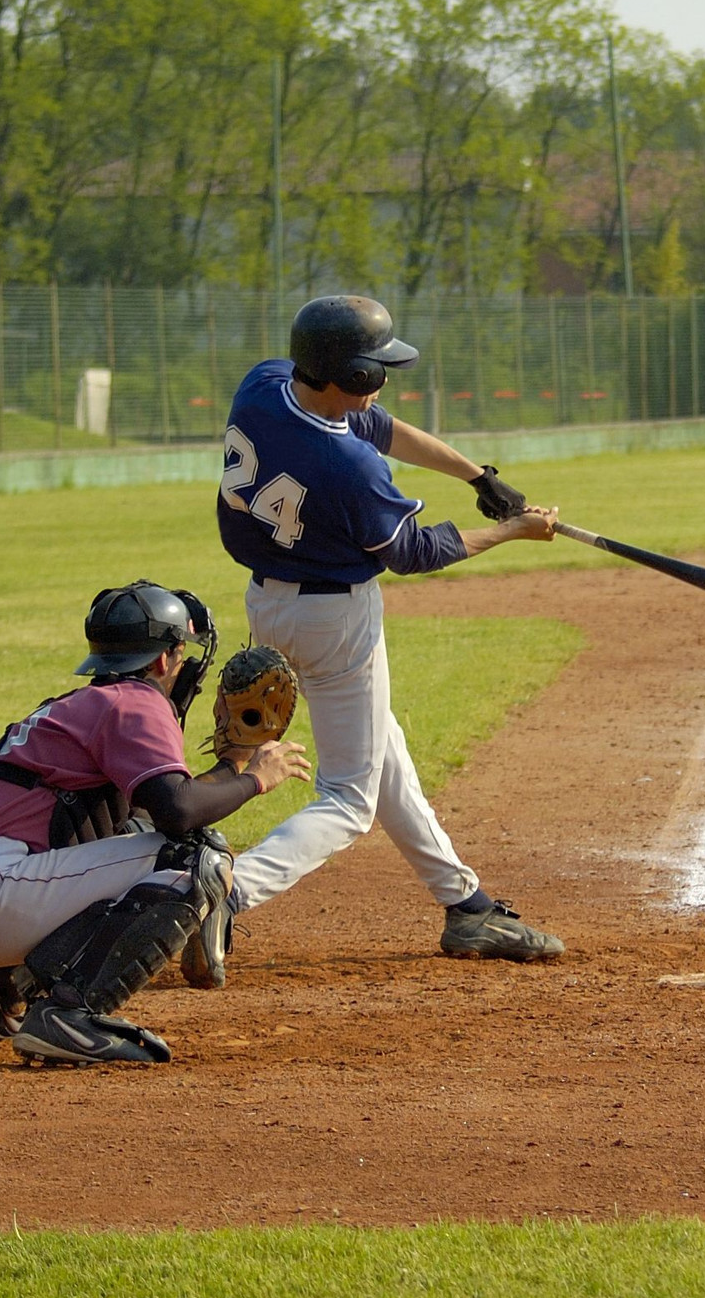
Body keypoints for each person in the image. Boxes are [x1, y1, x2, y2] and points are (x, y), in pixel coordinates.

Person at [211, 294, 565, 973]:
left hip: (269, 604)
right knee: (348, 799)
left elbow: (371, 422)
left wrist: (476, 476)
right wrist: (512, 531)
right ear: (354, 375)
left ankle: (468, 907)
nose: (384, 378)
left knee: (383, 756)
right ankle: (224, 895)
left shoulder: (261, 385)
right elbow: (415, 552)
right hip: (335, 622)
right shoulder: (351, 469)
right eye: (377, 367)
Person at [0, 583, 312, 1065]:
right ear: (164, 659)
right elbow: (180, 812)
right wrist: (255, 779)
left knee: (133, 835)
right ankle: (70, 1013)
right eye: (182, 653)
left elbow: (155, 811)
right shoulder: (135, 702)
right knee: (197, 860)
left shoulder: (85, 703)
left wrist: (232, 764)